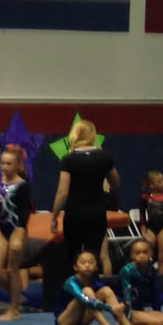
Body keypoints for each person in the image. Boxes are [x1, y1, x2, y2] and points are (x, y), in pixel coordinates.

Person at [50, 119, 119, 296]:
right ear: (92, 135)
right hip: (97, 212)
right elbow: (115, 182)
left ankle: (72, 295)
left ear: (75, 135)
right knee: (93, 256)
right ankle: (93, 294)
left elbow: (63, 192)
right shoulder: (104, 157)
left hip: (75, 213)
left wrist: (54, 216)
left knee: (73, 255)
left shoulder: (69, 159)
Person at [0, 144, 33, 321]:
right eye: (2, 163)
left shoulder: (22, 186)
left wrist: (20, 233)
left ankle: (14, 310)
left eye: (8, 164)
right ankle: (16, 294)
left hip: (17, 229)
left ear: (18, 166)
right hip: (3, 231)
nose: (4, 167)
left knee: (13, 269)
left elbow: (24, 212)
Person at [55, 250, 138, 325]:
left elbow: (114, 299)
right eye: (83, 262)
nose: (87, 265)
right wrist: (110, 308)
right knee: (87, 290)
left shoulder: (95, 282)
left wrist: (123, 304)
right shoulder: (70, 282)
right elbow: (84, 299)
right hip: (65, 323)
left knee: (106, 290)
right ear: (75, 267)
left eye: (91, 262)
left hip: (82, 323)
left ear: (96, 267)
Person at [114, 238, 163, 325]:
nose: (141, 256)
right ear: (132, 255)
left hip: (141, 310)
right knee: (160, 324)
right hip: (126, 310)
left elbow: (154, 294)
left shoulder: (150, 270)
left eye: (145, 252)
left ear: (151, 254)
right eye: (138, 253)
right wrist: (127, 318)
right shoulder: (127, 270)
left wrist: (157, 313)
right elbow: (127, 297)